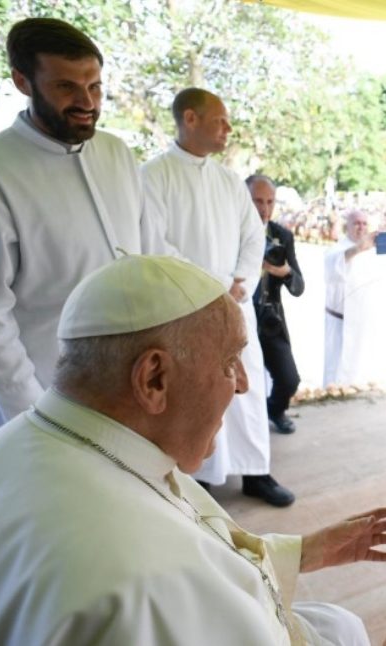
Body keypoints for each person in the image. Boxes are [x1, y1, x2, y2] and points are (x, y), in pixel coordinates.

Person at [0, 254, 386, 646]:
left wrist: (302, 553)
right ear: (154, 378)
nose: (246, 384)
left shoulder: (22, 445)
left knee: (335, 625)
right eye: (231, 362)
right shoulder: (148, 579)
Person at [0, 17, 168, 455]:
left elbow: (156, 256)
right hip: (43, 398)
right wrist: (34, 418)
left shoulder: (117, 152)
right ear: (23, 81)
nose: (86, 103)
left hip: (132, 390)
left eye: (95, 87)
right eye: (65, 88)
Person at [142, 88, 293, 507]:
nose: (228, 128)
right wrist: (212, 286)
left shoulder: (228, 180)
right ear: (190, 118)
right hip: (184, 307)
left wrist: (238, 278)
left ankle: (256, 473)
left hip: (235, 303)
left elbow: (253, 235)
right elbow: (155, 244)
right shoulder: (153, 176)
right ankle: (200, 480)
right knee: (198, 392)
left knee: (248, 390)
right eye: (221, 120)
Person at [247, 174, 305, 434]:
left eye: (270, 201)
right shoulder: (230, 232)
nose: (264, 208)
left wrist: (284, 272)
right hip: (239, 320)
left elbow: (299, 287)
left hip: (271, 320)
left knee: (289, 379)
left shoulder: (282, 235)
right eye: (257, 201)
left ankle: (275, 410)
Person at [322, 209, 376, 387]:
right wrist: (357, 249)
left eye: (364, 223)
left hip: (362, 321)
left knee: (360, 368)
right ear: (348, 226)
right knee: (336, 367)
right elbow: (332, 268)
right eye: (356, 223)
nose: (361, 227)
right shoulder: (337, 249)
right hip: (340, 323)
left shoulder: (371, 252)